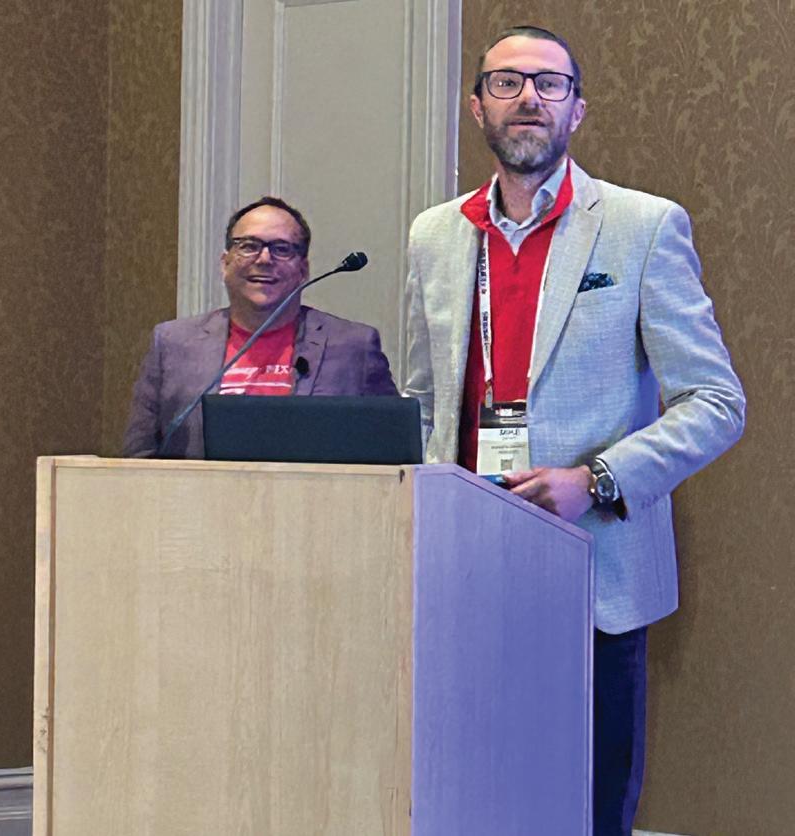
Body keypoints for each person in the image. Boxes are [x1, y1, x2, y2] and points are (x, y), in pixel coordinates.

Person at [403, 25, 745, 836]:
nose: (529, 98)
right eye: (507, 82)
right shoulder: (434, 235)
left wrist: (595, 480)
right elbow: (423, 399)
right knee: (469, 802)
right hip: (464, 573)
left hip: (595, 571)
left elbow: (715, 401)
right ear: (476, 106)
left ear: (577, 110)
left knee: (587, 810)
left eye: (549, 84)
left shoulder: (642, 226)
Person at [124, 196, 398, 458]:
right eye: (248, 246)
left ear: (303, 270)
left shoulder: (354, 347)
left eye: (282, 249)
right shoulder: (173, 344)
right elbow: (139, 457)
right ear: (225, 263)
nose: (264, 259)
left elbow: (393, 452)